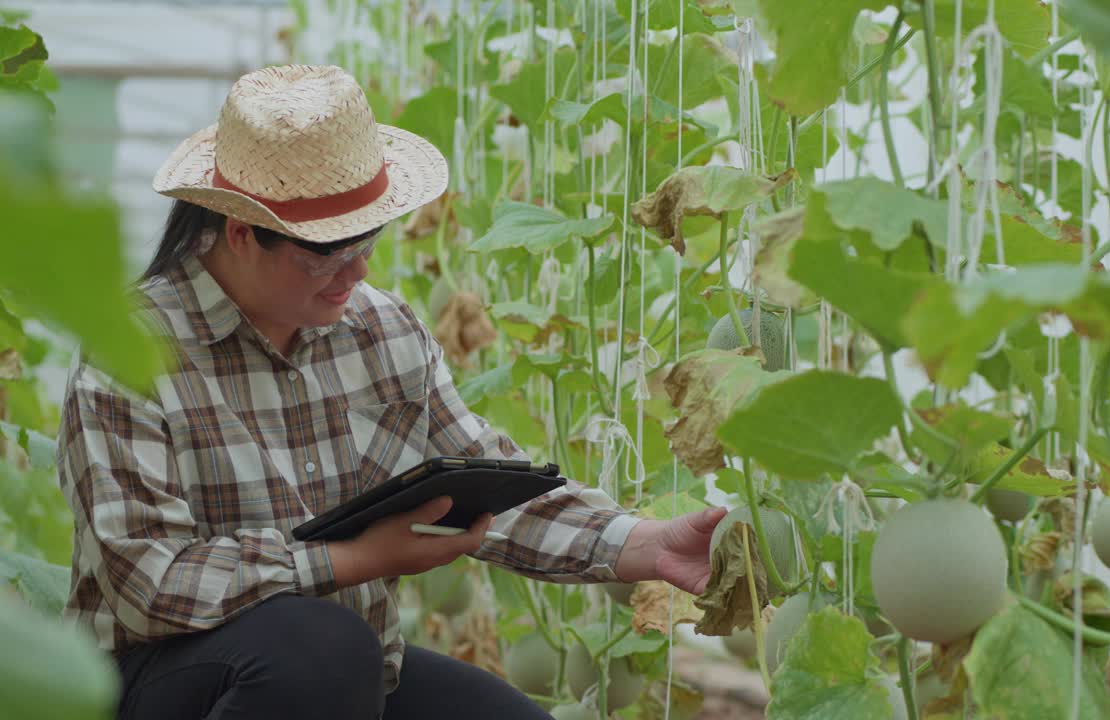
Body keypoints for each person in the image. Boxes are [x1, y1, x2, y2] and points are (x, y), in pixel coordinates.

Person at [56, 64, 728, 720]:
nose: (359, 271)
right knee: (319, 648)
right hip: (163, 680)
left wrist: (642, 545)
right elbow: (150, 582)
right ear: (240, 233)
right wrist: (352, 560)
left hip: (342, 676)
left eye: (366, 242)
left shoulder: (378, 329)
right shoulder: (133, 351)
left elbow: (478, 479)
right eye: (327, 253)